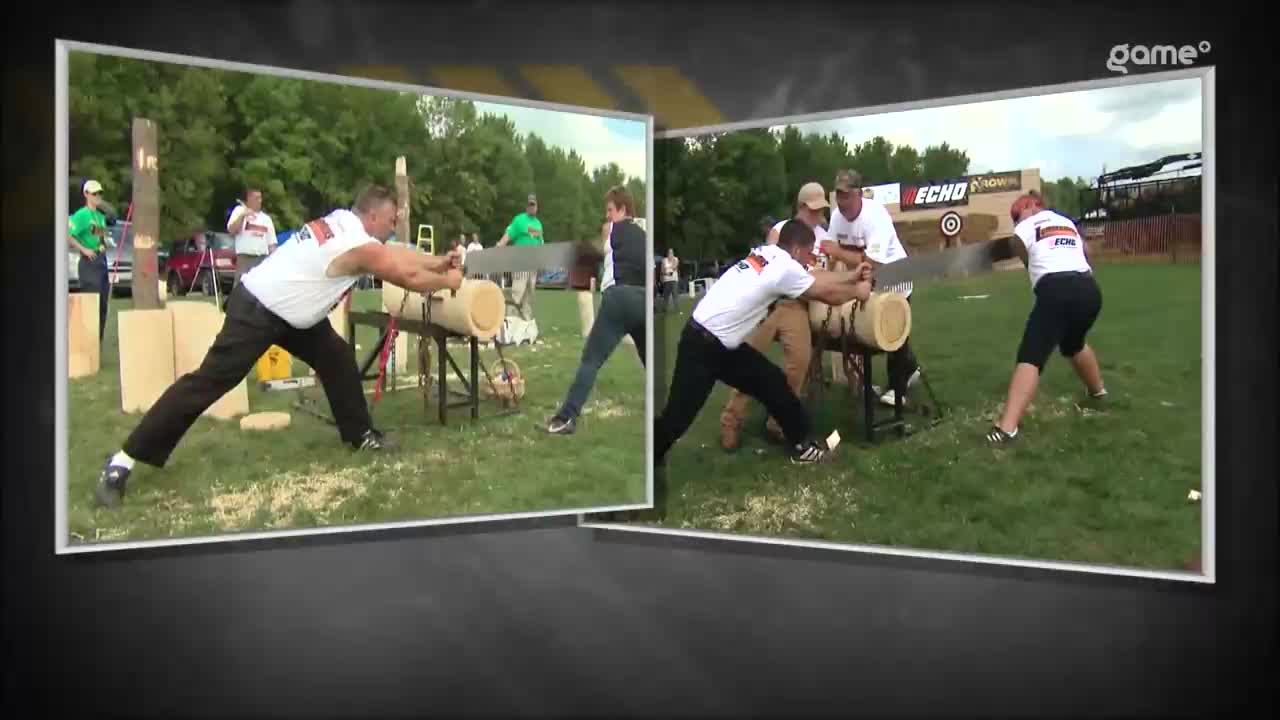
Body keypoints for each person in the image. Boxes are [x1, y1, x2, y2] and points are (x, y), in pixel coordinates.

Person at [92, 185, 464, 508]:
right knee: (208, 383)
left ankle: (360, 435)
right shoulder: (355, 244)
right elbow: (406, 273)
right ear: (370, 216)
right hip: (257, 309)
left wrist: (438, 261)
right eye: (389, 220)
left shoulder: (340, 220)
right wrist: (448, 278)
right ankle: (121, 463)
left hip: (292, 313)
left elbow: (399, 254)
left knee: (335, 357)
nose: (393, 227)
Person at [655, 220, 874, 465]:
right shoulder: (785, 268)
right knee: (677, 419)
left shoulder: (765, 252)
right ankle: (648, 456)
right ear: (797, 250)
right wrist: (857, 291)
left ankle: (803, 446)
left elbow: (819, 281)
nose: (809, 261)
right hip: (703, 346)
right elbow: (825, 293)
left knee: (773, 383)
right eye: (808, 254)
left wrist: (852, 276)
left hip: (720, 343)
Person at [718, 182, 832, 451]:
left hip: (798, 305)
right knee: (748, 362)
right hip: (768, 304)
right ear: (802, 206)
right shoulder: (780, 230)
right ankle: (730, 419)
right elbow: (770, 268)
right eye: (814, 210)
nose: (818, 216)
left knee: (799, 363)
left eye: (821, 211)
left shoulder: (823, 237)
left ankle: (779, 421)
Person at [987, 190, 1107, 444]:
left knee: (1032, 354)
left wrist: (1029, 260)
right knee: (1073, 343)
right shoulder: (1066, 221)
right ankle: (1098, 391)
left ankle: (1007, 428)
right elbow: (1086, 250)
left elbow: (1015, 244)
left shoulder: (1030, 223)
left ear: (1033, 205)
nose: (1017, 220)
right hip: (1089, 290)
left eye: (1017, 214)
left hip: (1057, 290)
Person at [545, 186, 647, 435]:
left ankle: (566, 418)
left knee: (591, 361)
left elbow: (597, 251)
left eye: (611, 210)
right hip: (642, 299)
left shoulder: (609, 229)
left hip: (618, 298)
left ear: (623, 209)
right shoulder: (644, 236)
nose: (607, 216)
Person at [822, 169, 920, 406]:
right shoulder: (836, 217)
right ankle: (910, 369)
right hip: (867, 280)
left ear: (859, 194)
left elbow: (872, 262)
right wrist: (826, 273)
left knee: (894, 334)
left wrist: (836, 252)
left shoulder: (876, 216)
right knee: (868, 333)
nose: (841, 201)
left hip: (894, 278)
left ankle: (898, 391)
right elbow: (830, 253)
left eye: (846, 195)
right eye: (838, 195)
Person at [67, 179, 112, 342]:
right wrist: (84, 249)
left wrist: (106, 242)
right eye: (94, 193)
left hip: (101, 261)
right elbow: (68, 234)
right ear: (86, 195)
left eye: (100, 193)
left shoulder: (99, 215)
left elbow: (101, 235)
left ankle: (96, 345)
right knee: (92, 304)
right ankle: (87, 343)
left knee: (103, 305)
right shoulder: (81, 215)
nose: (98, 196)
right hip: (89, 263)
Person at [495, 193, 544, 321]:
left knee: (530, 291)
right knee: (518, 289)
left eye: (534, 205)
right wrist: (500, 245)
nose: (532, 207)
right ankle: (512, 317)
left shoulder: (538, 224)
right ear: (527, 206)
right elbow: (509, 234)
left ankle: (526, 319)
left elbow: (540, 242)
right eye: (530, 205)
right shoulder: (519, 220)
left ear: (537, 207)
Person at [227, 188, 278, 290]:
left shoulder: (266, 219)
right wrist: (242, 216)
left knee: (260, 289)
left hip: (261, 259)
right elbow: (232, 230)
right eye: (256, 198)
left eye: (260, 198)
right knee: (240, 288)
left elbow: (272, 244)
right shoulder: (239, 211)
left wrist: (274, 262)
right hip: (245, 258)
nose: (260, 201)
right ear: (249, 199)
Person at [661, 248, 680, 312]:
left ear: (673, 253)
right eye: (669, 252)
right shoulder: (664, 260)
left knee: (675, 294)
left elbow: (674, 267)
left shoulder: (676, 259)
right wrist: (667, 273)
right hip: (666, 280)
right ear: (667, 253)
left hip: (674, 279)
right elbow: (662, 270)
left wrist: (668, 271)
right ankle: (664, 309)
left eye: (671, 252)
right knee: (666, 296)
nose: (670, 254)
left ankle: (677, 309)